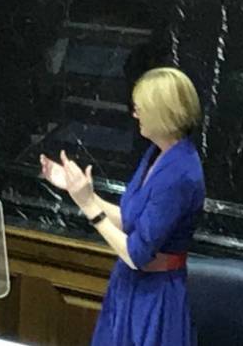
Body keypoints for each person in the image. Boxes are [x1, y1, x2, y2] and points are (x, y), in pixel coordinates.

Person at [40, 67, 205, 345]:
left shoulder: (180, 174)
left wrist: (89, 207)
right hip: (128, 287)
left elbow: (136, 254)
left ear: (161, 112)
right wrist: (81, 193)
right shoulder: (156, 154)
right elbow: (131, 218)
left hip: (154, 298)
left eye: (140, 108)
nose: (135, 114)